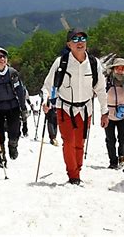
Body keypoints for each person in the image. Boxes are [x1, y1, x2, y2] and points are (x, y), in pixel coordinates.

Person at [41, 28, 109, 185]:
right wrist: (46, 100)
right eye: (75, 39)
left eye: (82, 39)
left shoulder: (94, 63)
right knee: (69, 142)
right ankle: (73, 175)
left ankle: (77, 170)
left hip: (85, 110)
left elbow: (100, 89)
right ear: (69, 44)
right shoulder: (61, 62)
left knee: (80, 142)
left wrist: (104, 112)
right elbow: (48, 85)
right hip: (64, 108)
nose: (80, 43)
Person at [0, 47, 28, 168]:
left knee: (14, 132)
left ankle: (13, 146)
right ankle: (1, 159)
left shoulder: (12, 73)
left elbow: (20, 91)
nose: (1, 59)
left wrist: (23, 108)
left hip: (13, 107)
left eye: (3, 57)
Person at [104, 57, 124, 169]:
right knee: (110, 139)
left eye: (122, 69)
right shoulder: (107, 82)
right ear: (113, 69)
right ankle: (113, 161)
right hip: (108, 115)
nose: (120, 71)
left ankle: (121, 155)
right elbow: (99, 93)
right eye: (117, 68)